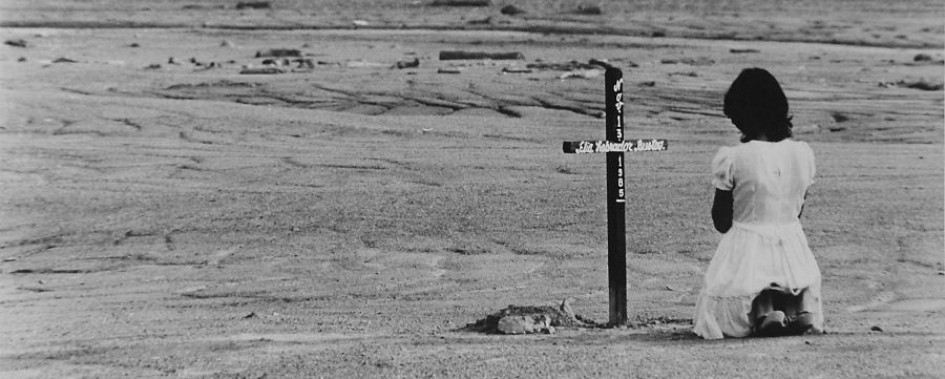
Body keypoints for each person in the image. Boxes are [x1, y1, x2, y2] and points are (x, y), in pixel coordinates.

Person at [693, 68, 825, 339]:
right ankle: (798, 310)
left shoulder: (734, 157)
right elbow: (797, 211)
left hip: (748, 246)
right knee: (785, 270)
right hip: (793, 248)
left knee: (750, 273)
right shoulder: (802, 154)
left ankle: (764, 311)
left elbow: (722, 221)